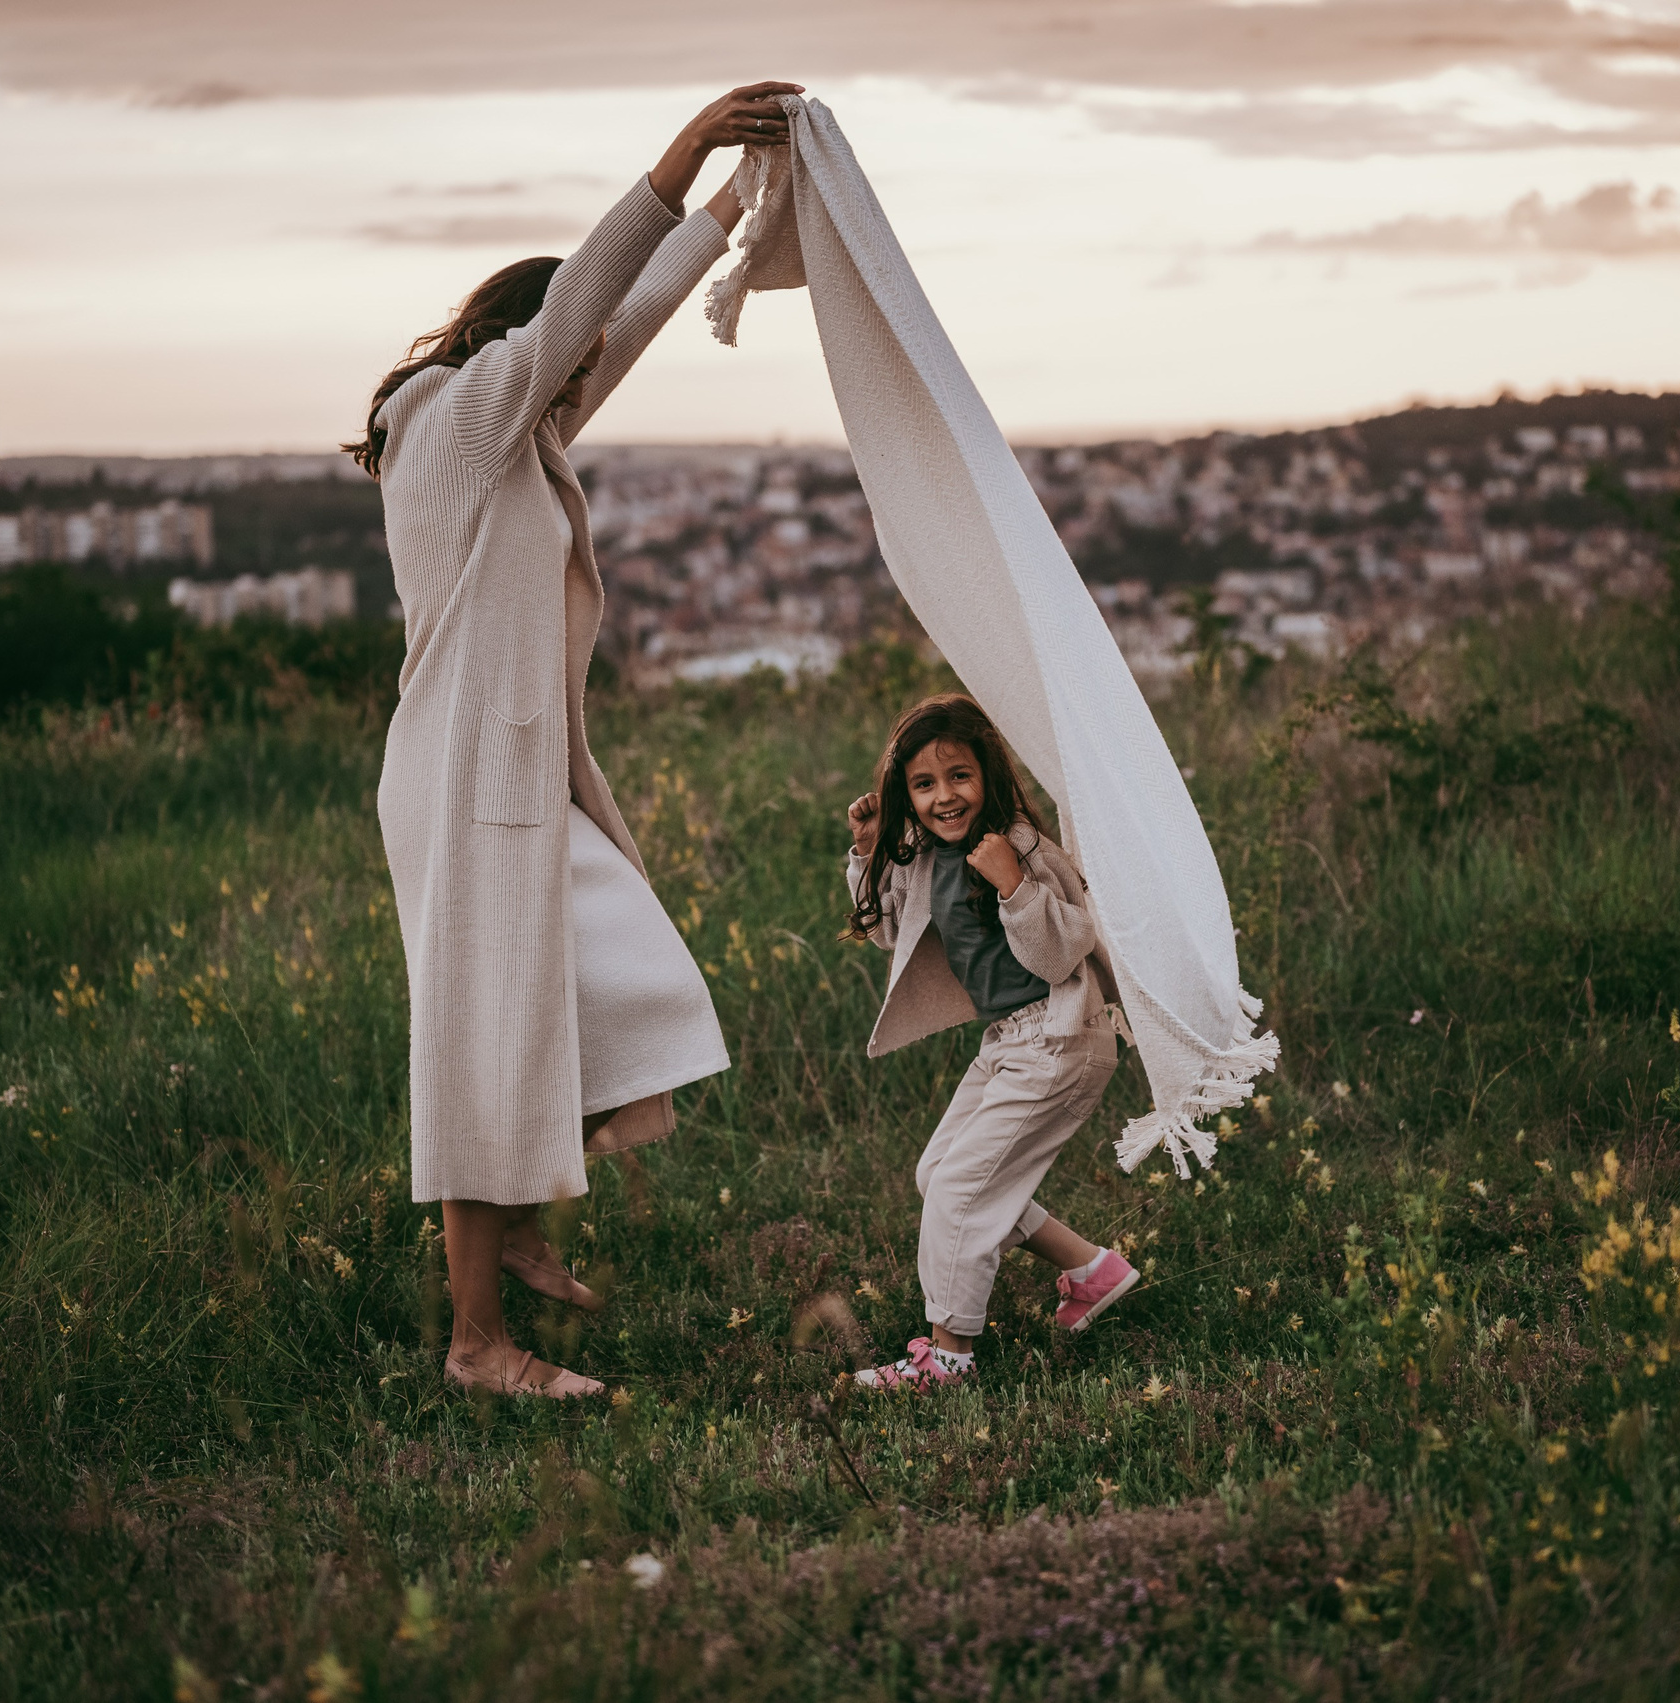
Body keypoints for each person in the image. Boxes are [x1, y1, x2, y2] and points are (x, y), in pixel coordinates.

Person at [349, 80, 803, 1401]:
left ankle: (528, 1209)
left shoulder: (512, 433)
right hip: (464, 779)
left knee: (634, 988)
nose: (590, 385)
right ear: (526, 341)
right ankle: (478, 1341)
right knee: (484, 1047)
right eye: (575, 363)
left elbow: (633, 312)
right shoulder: (463, 418)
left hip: (515, 779)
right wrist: (691, 149)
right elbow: (602, 291)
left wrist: (741, 208)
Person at [840, 694, 1141, 1391]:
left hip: (1062, 1035)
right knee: (938, 1175)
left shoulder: (1021, 848)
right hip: (1009, 1041)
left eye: (959, 776)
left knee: (960, 1192)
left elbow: (1066, 949)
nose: (945, 796)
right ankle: (1093, 1271)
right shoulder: (923, 858)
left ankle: (949, 1359)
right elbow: (889, 929)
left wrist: (1012, 883)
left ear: (988, 775)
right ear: (904, 793)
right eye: (924, 783)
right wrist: (866, 851)